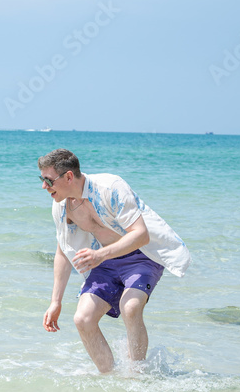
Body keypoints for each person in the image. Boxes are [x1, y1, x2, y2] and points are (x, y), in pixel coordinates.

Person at [38, 149, 190, 373]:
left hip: (141, 255)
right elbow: (63, 250)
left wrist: (99, 255)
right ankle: (111, 378)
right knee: (83, 318)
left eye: (48, 180)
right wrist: (55, 302)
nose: (44, 186)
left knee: (130, 307)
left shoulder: (110, 187)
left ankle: (137, 376)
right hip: (105, 261)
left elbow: (141, 235)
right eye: (41, 180)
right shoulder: (62, 206)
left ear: (68, 177)